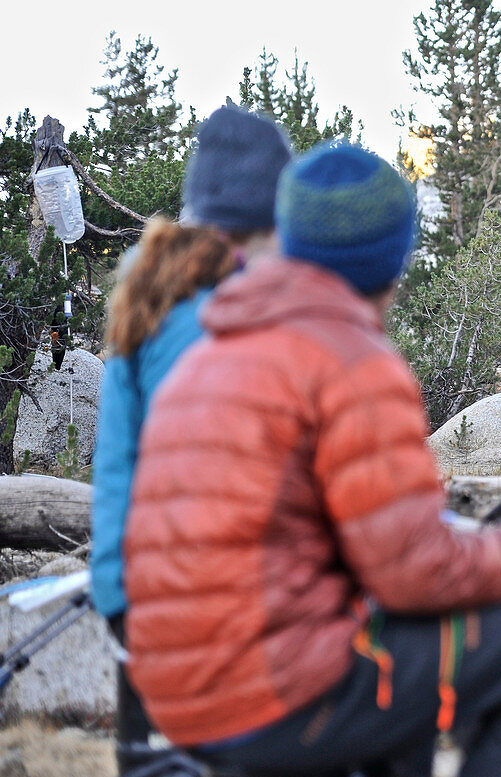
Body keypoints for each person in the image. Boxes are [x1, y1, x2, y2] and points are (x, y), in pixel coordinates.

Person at [121, 141, 501, 777]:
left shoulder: (206, 356)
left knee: (397, 647)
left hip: (173, 689)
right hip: (274, 695)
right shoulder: (350, 361)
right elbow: (415, 576)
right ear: (392, 261)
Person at [90, 104, 292, 773]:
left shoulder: (144, 291)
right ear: (269, 217)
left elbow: (115, 460)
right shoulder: (246, 314)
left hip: (138, 604)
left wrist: (117, 594)